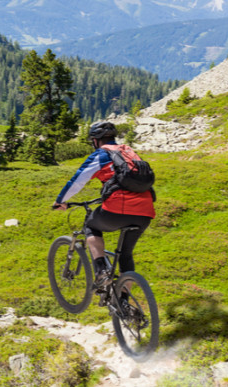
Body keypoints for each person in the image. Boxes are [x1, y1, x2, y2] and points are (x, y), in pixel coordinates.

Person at [51, 121, 155, 290]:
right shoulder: (128, 152)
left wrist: (59, 201)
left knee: (91, 226)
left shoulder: (101, 154)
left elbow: (77, 182)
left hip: (118, 209)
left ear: (95, 140)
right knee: (125, 255)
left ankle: (101, 272)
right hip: (145, 212)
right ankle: (124, 303)